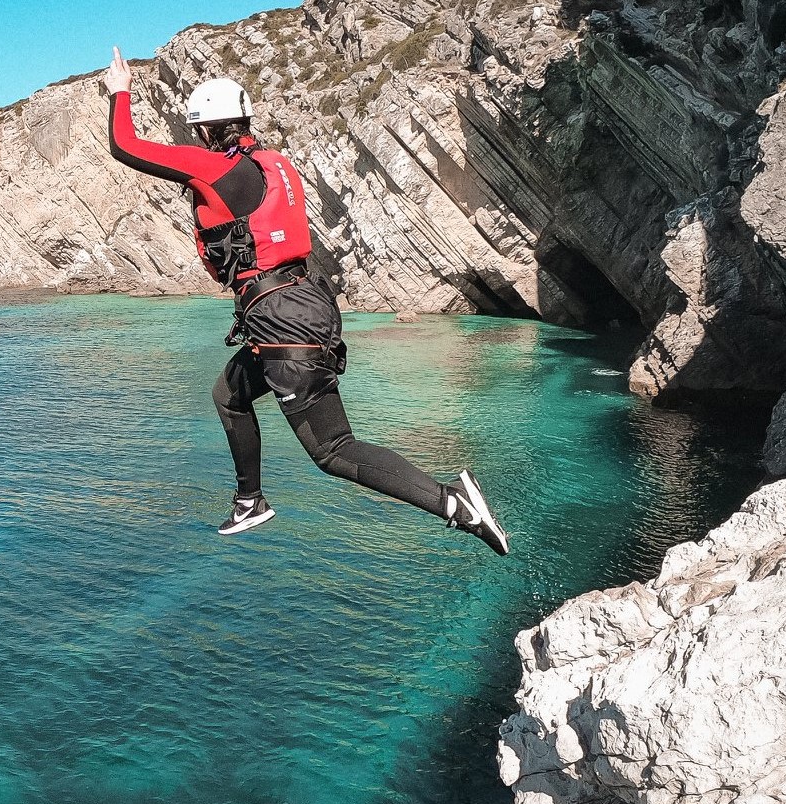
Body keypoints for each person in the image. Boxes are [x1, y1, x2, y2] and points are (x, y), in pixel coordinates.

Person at [102, 47, 509, 552]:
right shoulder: (268, 165)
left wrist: (120, 87)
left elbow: (125, 145)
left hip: (283, 324)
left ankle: (454, 503)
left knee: (334, 451)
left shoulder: (216, 169)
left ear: (206, 131)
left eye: (198, 131)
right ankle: (249, 501)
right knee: (228, 395)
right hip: (296, 307)